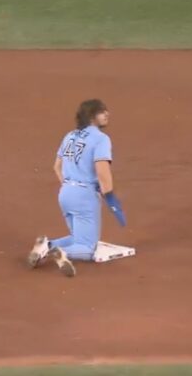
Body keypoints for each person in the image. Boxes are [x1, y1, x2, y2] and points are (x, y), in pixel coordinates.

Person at [27, 99, 126, 277]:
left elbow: (57, 167)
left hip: (65, 193)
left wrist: (70, 187)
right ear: (91, 116)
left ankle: (47, 244)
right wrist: (110, 198)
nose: (107, 114)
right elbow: (102, 171)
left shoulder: (70, 136)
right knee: (88, 248)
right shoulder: (101, 139)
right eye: (101, 111)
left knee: (78, 238)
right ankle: (57, 252)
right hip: (84, 195)